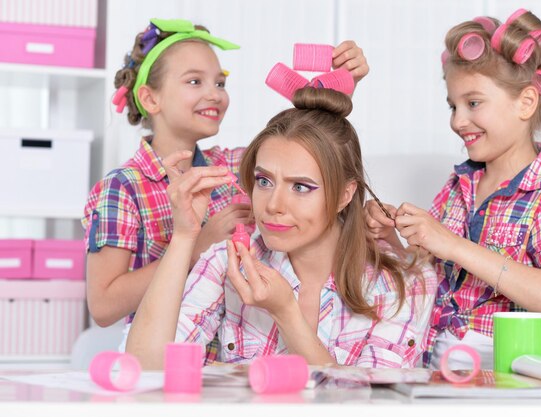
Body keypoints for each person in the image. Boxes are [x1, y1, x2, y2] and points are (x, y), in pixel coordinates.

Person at [81, 18, 371, 333]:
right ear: (151, 98)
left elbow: (308, 154)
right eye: (195, 82)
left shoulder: (232, 166)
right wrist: (195, 246)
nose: (215, 95)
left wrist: (339, 87)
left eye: (220, 83)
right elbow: (104, 306)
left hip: (236, 354)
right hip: (166, 350)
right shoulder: (122, 188)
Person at [125, 86, 437, 369]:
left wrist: (286, 313)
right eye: (264, 181)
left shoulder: (405, 281)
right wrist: (183, 237)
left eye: (301, 187)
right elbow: (144, 367)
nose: (273, 204)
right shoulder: (228, 261)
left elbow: (369, 404)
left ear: (345, 194)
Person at [364, 9, 541, 370]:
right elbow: (426, 276)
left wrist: (453, 244)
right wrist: (391, 241)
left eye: (473, 103)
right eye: (453, 105)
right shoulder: (459, 185)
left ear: (526, 102)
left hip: (506, 373)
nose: (457, 120)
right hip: (433, 367)